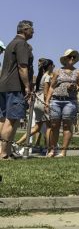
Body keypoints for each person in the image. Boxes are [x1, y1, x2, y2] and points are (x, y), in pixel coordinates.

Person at [0, 21, 34, 159]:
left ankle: (5, 151)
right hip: (15, 87)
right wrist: (27, 86)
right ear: (25, 30)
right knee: (12, 120)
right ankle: (3, 153)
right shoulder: (22, 44)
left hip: (3, 86)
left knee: (2, 119)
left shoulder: (10, 43)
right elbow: (22, 67)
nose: (34, 32)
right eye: (32, 29)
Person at [45, 49, 79, 157]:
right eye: (70, 57)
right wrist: (47, 102)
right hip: (56, 100)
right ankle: (52, 150)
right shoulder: (57, 71)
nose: (72, 59)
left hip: (70, 101)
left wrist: (75, 87)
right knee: (54, 125)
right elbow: (52, 87)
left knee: (67, 125)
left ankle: (63, 151)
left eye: (74, 57)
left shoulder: (78, 72)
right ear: (65, 59)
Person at [15, 59, 54, 151]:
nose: (53, 67)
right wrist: (47, 104)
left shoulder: (40, 77)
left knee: (36, 128)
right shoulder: (47, 77)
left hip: (37, 102)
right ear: (49, 66)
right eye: (53, 65)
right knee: (49, 127)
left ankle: (17, 143)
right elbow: (45, 92)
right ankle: (49, 150)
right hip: (43, 102)